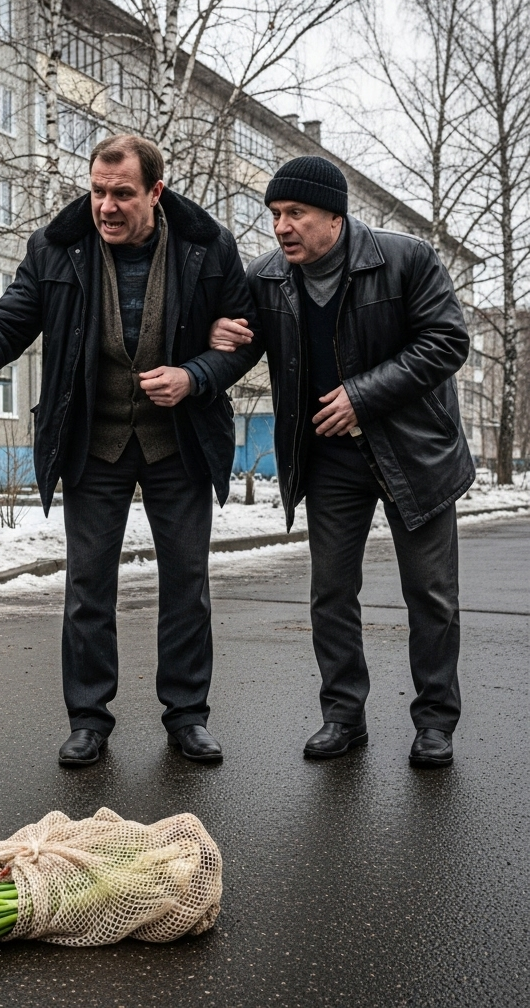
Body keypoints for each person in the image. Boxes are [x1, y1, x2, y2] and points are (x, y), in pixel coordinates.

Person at [0, 135, 254, 766]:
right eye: (97, 192)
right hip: (95, 440)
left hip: (180, 443)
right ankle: (88, 719)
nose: (107, 207)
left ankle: (187, 716)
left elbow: (245, 339)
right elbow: (10, 318)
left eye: (122, 194)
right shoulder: (56, 248)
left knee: (187, 583)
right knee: (89, 585)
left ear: (155, 192)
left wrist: (195, 375)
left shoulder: (208, 246)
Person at [190, 156, 474, 768]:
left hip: (414, 452)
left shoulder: (405, 259)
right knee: (332, 593)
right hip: (328, 458)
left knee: (431, 593)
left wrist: (361, 396)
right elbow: (239, 346)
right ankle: (343, 716)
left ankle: (434, 722)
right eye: (275, 214)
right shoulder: (267, 277)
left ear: (335, 217)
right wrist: (213, 344)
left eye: (295, 213)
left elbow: (447, 341)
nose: (281, 227)